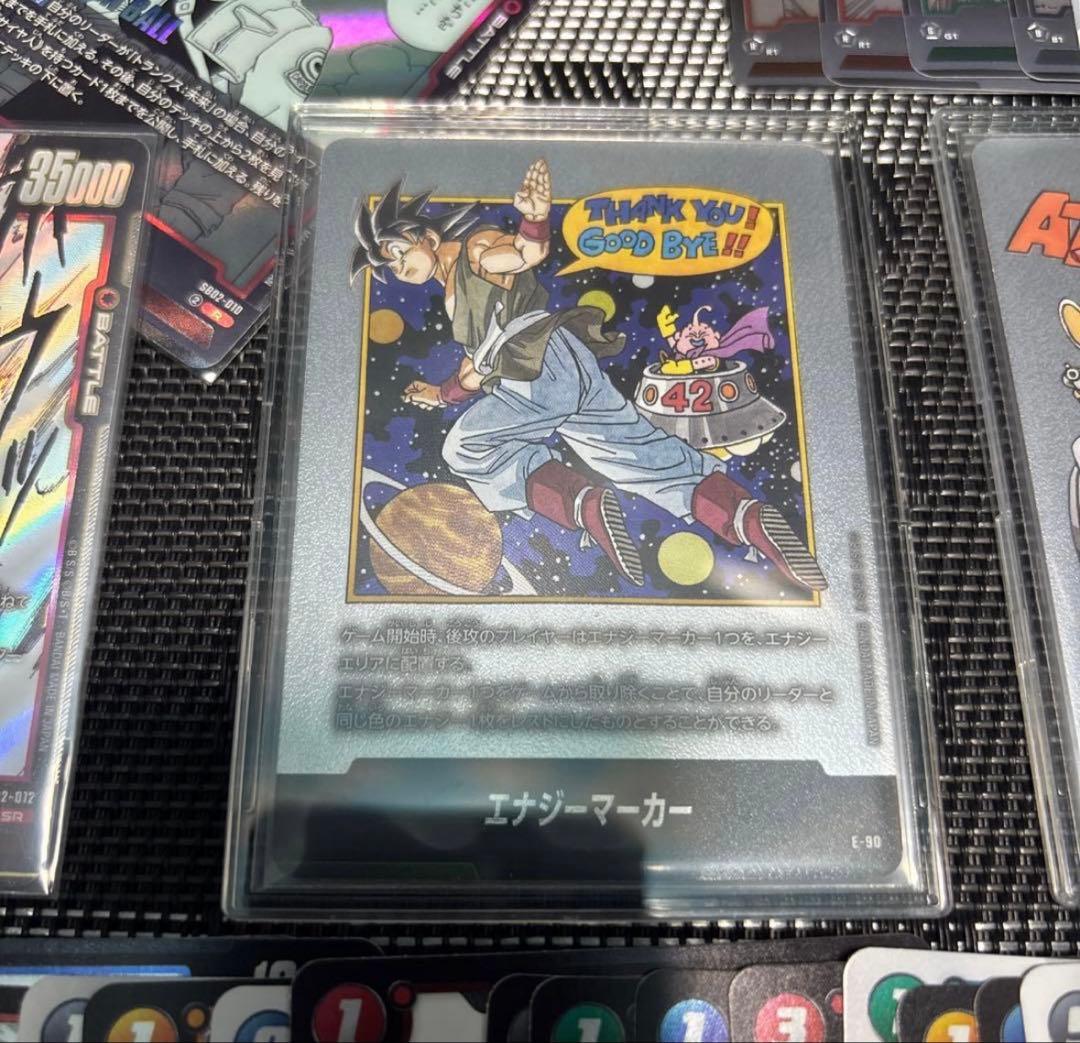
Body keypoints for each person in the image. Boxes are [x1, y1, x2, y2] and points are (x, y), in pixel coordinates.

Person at [350, 159, 826, 592]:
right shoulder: (453, 289)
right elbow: (477, 370)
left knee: (466, 447)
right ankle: (748, 518)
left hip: (536, 372)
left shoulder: (474, 252)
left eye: (399, 251)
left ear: (427, 237)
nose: (399, 267)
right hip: (567, 362)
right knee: (641, 456)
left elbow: (521, 254)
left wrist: (535, 220)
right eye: (390, 266)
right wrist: (442, 393)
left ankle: (581, 503)